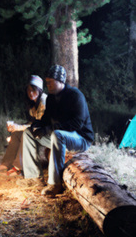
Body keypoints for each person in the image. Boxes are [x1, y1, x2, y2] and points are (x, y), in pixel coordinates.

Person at [20, 64, 94, 197]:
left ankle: (55, 184)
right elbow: (46, 119)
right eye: (46, 81)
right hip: (61, 137)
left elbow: (77, 123)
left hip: (81, 139)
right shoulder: (51, 99)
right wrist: (37, 126)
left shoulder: (75, 96)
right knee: (28, 133)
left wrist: (50, 128)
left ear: (60, 81)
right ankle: (34, 177)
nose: (47, 84)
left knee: (57, 134)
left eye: (50, 81)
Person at [0, 75, 47, 172]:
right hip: (37, 130)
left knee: (25, 134)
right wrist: (16, 127)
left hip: (46, 133)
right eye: (28, 90)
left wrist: (19, 127)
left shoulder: (43, 100)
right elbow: (31, 122)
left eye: (33, 90)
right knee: (16, 134)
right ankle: (6, 163)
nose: (31, 93)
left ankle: (18, 168)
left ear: (39, 89)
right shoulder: (33, 103)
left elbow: (39, 124)